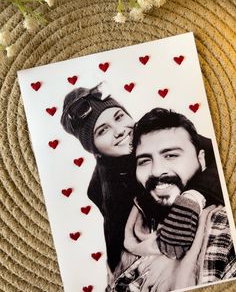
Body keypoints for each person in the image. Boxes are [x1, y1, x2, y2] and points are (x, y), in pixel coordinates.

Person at [60, 83, 224, 274]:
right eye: (102, 130)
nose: (120, 130)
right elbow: (119, 244)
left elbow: (222, 158)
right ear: (94, 149)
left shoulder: (159, 131)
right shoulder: (101, 188)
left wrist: (194, 196)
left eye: (119, 117)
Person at [109, 108, 236, 292]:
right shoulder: (133, 229)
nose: (156, 171)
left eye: (171, 155)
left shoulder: (222, 227)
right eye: (144, 161)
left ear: (202, 160)